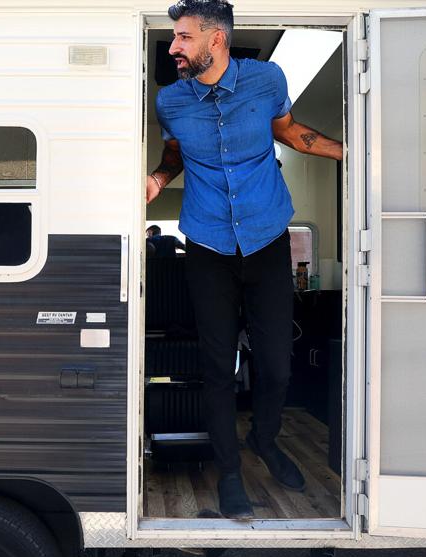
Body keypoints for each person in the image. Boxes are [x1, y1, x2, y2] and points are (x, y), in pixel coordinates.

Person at [147, 0, 343, 519]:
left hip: (266, 237)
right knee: (217, 367)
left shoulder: (266, 80)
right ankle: (230, 472)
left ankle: (265, 438)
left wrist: (354, 153)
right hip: (207, 246)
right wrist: (159, 179)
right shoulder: (171, 101)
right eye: (174, 37)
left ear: (216, 40)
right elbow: (174, 154)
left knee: (277, 366)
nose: (174, 47)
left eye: (184, 37)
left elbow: (289, 131)